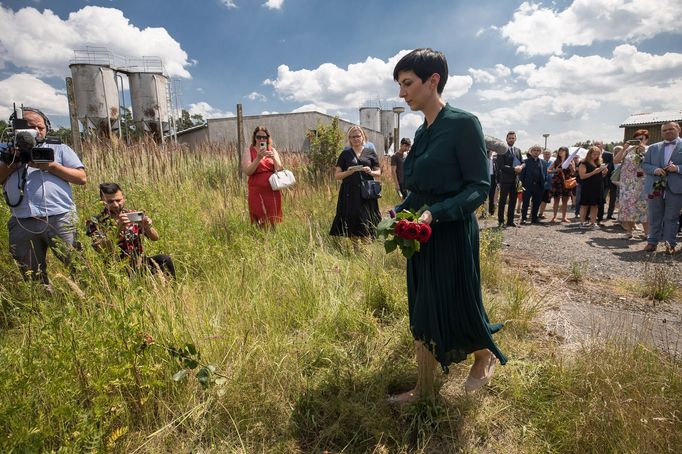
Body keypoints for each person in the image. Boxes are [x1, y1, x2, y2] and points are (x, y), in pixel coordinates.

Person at [389, 48, 506, 403]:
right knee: (424, 305)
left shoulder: (463, 124)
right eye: (400, 85)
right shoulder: (421, 133)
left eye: (407, 83)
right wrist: (399, 212)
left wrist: (435, 213)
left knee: (458, 302)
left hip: (452, 233)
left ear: (433, 80)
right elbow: (418, 190)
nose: (402, 93)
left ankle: (483, 354)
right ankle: (424, 388)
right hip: (420, 236)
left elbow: (478, 188)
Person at [0, 107, 86, 286]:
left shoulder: (59, 147)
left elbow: (81, 178)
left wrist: (51, 166)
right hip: (22, 219)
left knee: (78, 265)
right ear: (16, 128)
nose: (37, 131)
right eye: (31, 127)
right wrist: (14, 162)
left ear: (47, 128)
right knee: (31, 274)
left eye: (41, 127)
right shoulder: (5, 150)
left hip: (60, 217)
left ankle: (87, 301)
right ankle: (42, 303)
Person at [86, 183, 176, 278]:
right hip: (115, 268)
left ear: (123, 198)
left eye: (118, 200)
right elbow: (100, 248)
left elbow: (155, 238)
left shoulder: (132, 214)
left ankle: (173, 289)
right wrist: (117, 230)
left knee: (164, 259)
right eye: (110, 202)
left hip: (138, 262)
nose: (116, 205)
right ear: (102, 201)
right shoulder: (95, 221)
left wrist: (147, 227)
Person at [329, 125, 382, 244]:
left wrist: (371, 171)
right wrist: (348, 172)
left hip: (366, 191)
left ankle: (367, 250)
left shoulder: (371, 152)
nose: (356, 138)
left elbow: (378, 172)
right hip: (349, 191)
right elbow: (337, 175)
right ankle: (355, 250)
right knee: (353, 218)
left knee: (367, 218)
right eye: (353, 137)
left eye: (358, 136)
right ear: (349, 138)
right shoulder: (345, 154)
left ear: (363, 136)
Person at [641, 122, 682, 254]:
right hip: (655, 187)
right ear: (661, 133)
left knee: (672, 217)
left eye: (671, 129)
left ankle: (670, 244)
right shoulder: (653, 148)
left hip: (676, 188)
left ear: (678, 129)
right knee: (654, 216)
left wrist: (678, 168)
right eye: (665, 130)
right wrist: (655, 170)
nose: (668, 132)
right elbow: (645, 165)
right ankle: (652, 242)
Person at [241, 126, 284, 227]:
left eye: (264, 137)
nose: (261, 139)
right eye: (258, 137)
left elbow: (280, 169)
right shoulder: (249, 151)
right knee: (258, 219)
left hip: (272, 191)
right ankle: (258, 240)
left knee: (273, 218)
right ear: (254, 138)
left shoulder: (272, 150)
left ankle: (272, 238)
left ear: (268, 138)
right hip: (256, 192)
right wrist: (258, 158)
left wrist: (273, 158)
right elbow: (248, 171)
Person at [614, 129, 649, 240]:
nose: (638, 141)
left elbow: (652, 163)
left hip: (641, 183)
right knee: (627, 207)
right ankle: (629, 232)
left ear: (646, 139)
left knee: (643, 207)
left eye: (641, 139)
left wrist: (644, 151)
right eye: (636, 139)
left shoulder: (650, 149)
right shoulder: (629, 150)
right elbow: (615, 161)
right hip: (627, 184)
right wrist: (624, 148)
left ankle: (647, 233)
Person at [496, 131, 524, 227]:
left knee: (513, 201)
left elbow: (523, 162)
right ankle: (500, 221)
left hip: (515, 180)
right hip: (505, 180)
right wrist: (514, 169)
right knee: (502, 201)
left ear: (515, 139)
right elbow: (500, 166)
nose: (511, 139)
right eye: (510, 138)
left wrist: (521, 167)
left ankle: (510, 221)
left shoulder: (518, 150)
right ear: (506, 139)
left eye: (513, 138)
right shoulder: (502, 150)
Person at [578, 146, 608, 229]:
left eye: (598, 154)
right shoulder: (583, 163)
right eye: (594, 154)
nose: (596, 156)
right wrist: (594, 172)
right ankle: (582, 223)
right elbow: (582, 176)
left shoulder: (598, 163)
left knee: (595, 205)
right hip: (587, 187)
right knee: (585, 205)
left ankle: (593, 223)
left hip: (598, 187)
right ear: (589, 153)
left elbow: (601, 175)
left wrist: (604, 172)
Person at [519, 145, 547, 224]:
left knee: (537, 202)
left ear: (540, 152)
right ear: (531, 151)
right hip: (528, 186)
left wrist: (543, 183)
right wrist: (523, 184)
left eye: (538, 150)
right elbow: (522, 175)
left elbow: (544, 173)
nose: (536, 151)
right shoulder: (525, 162)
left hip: (539, 186)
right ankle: (523, 218)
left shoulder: (543, 162)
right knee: (525, 203)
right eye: (534, 150)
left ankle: (534, 218)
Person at [548, 147, 576, 223]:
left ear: (566, 152)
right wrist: (555, 170)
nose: (560, 152)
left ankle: (564, 217)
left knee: (565, 201)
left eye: (562, 151)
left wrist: (571, 167)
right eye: (559, 151)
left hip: (566, 182)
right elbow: (548, 170)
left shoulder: (571, 161)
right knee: (556, 200)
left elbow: (574, 173)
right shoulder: (556, 161)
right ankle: (554, 217)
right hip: (557, 181)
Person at [538, 149, 554, 218]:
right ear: (543, 155)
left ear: (550, 155)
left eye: (548, 154)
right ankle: (532, 213)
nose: (547, 155)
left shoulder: (553, 163)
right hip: (540, 184)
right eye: (545, 154)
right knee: (536, 199)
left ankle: (541, 213)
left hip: (548, 185)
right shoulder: (540, 162)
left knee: (545, 200)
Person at [488, 150, 498, 216]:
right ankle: (484, 212)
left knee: (492, 195)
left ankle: (491, 211)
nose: (490, 152)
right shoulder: (483, 158)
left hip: (493, 178)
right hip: (485, 178)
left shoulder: (495, 158)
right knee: (484, 195)